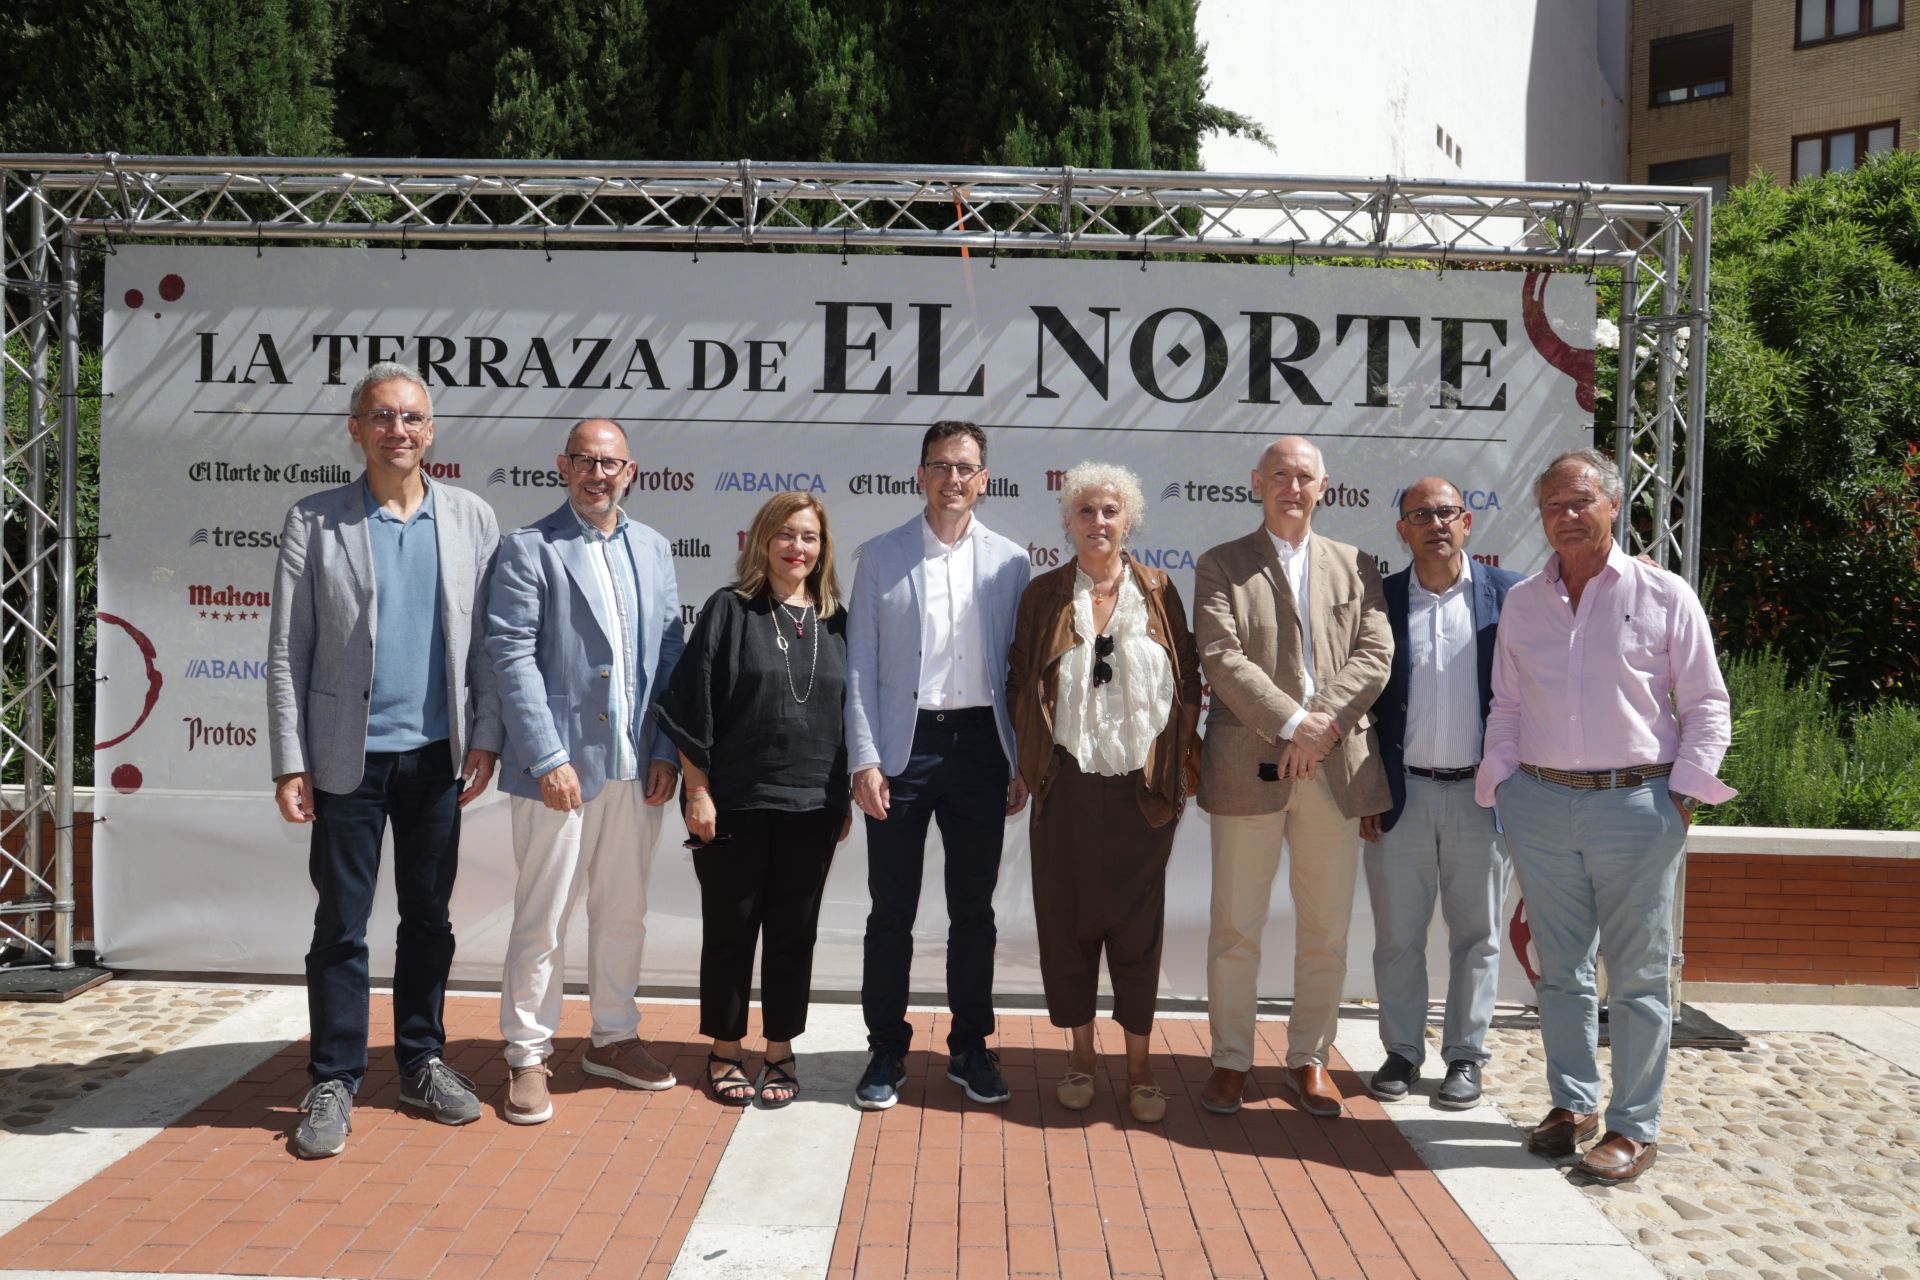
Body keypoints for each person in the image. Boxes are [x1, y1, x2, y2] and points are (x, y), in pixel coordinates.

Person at [1476, 447, 1733, 1182]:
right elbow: (1509, 704)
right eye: (1553, 505)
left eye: (1579, 501)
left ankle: (1634, 1127)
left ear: (1614, 505)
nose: (1565, 516)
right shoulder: (1524, 602)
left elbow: (1707, 705)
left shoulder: (1664, 594)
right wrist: (1502, 781)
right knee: (1561, 973)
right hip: (1541, 803)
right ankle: (1573, 1105)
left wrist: (1681, 793)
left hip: (1637, 804)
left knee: (1640, 978)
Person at [267, 360, 501, 1158]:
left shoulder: (471, 518)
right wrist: (290, 760)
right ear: (356, 428)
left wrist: (490, 737)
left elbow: (492, 650)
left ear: (431, 431)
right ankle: (332, 1074)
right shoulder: (316, 521)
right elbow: (286, 652)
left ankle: (420, 1060)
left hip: (438, 758)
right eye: (382, 416)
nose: (398, 430)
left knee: (429, 920)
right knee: (340, 925)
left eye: (412, 417)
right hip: (346, 761)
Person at [486, 418, 685, 1125]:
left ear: (632, 471)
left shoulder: (655, 550)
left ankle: (613, 1037)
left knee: (623, 913)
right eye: (585, 461)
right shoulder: (528, 549)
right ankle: (527, 1055)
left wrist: (666, 752)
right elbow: (509, 656)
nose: (598, 474)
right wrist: (547, 756)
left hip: (637, 769)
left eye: (611, 463)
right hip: (557, 773)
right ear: (563, 467)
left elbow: (669, 657)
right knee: (543, 918)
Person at [1193, 435, 1392, 1119]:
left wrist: (1322, 724)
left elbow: (1375, 653)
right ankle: (1230, 1060)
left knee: (1326, 931)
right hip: (1249, 767)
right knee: (1235, 928)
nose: (1292, 487)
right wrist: (1292, 725)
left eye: (1304, 476)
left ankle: (1309, 1059)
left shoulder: (1357, 565)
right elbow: (1221, 657)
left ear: (1324, 486)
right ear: (1257, 482)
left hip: (1334, 770)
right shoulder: (1221, 565)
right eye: (1280, 474)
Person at [845, 420, 1032, 1110]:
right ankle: (886, 1049)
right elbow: (859, 668)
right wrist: (864, 758)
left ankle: (970, 1047)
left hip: (982, 748)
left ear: (984, 478)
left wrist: (1017, 756)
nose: (954, 479)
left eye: (967, 468)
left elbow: (1017, 671)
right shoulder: (881, 556)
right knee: (890, 909)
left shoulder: (1012, 562)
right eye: (941, 466)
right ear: (920, 474)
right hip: (903, 750)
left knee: (973, 911)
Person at [1007, 462, 1201, 1124]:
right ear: (1068, 521)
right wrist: (1033, 766)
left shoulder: (1160, 590)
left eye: (1110, 511)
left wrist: (1178, 772)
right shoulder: (1043, 596)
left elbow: (1189, 680)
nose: (1098, 522)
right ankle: (1081, 1059)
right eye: (1086, 511)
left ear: (1129, 520)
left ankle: (1141, 1070)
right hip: (1064, 789)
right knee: (1067, 927)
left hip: (1141, 795)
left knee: (1138, 934)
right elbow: (1019, 685)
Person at [653, 492, 853, 1109]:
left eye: (810, 537)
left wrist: (842, 795)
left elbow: (850, 715)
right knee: (732, 931)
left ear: (823, 549)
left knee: (795, 933)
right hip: (735, 802)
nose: (798, 548)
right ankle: (724, 1048)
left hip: (814, 805)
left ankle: (780, 1049)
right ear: (762, 541)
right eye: (787, 535)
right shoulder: (729, 610)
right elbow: (692, 707)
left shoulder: (837, 619)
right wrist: (699, 790)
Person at [1359, 477, 1523, 1109]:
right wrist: (1367, 789)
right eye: (1419, 514)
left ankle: (1465, 1058)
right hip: (1400, 797)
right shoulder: (1378, 601)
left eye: (1446, 512)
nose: (1435, 523)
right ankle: (1402, 1051)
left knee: (1476, 936)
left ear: (1468, 522)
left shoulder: (1511, 598)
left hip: (1482, 799)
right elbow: (1361, 705)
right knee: (1397, 936)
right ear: (1401, 529)